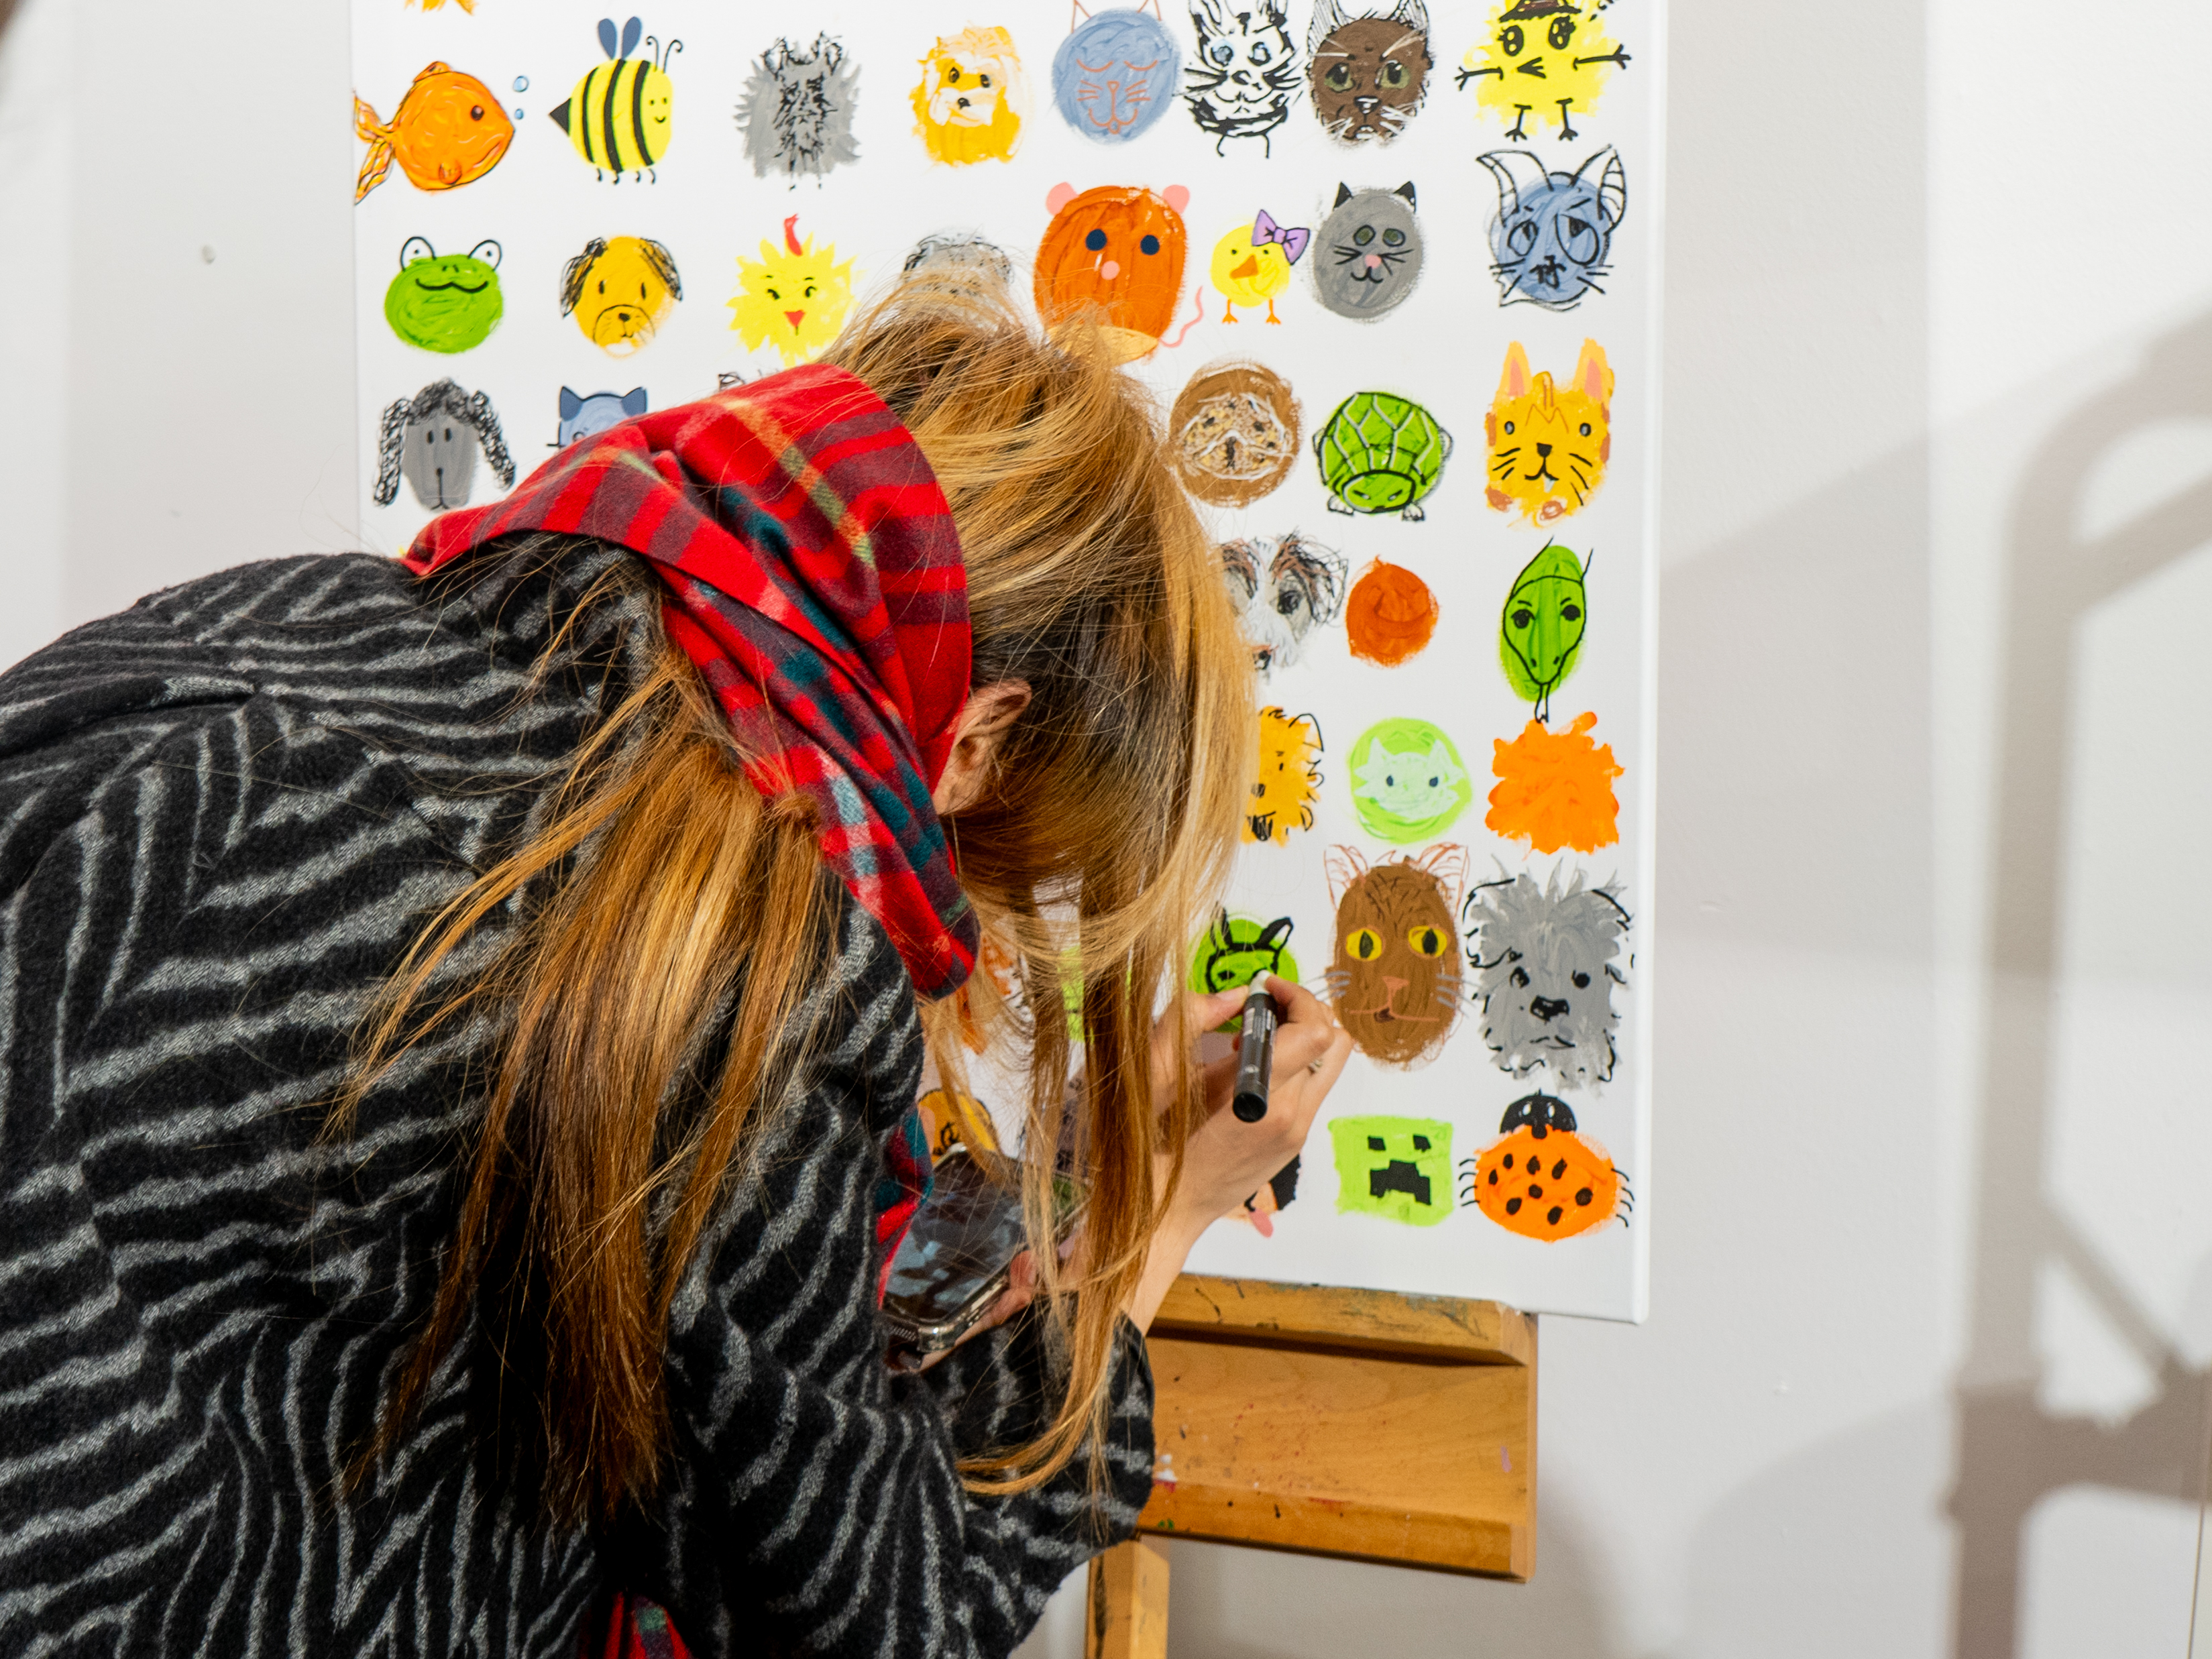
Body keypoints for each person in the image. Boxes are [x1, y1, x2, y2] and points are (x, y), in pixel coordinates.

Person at [0, 280, 1351, 1658]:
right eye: (989, 868)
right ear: (976, 738)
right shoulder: (734, 958)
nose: (958, 931)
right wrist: (1168, 1213)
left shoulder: (296, 617)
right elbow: (877, 1615)